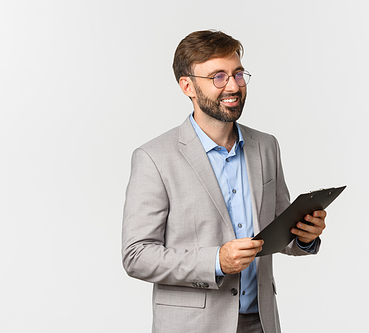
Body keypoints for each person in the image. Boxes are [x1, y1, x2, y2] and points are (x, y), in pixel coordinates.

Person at [122, 30, 327, 333]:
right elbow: (136, 255)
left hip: (261, 322)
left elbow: (277, 231)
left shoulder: (266, 146)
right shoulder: (154, 158)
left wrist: (304, 237)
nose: (233, 86)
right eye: (218, 77)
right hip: (193, 326)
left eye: (238, 74)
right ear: (187, 86)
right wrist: (216, 261)